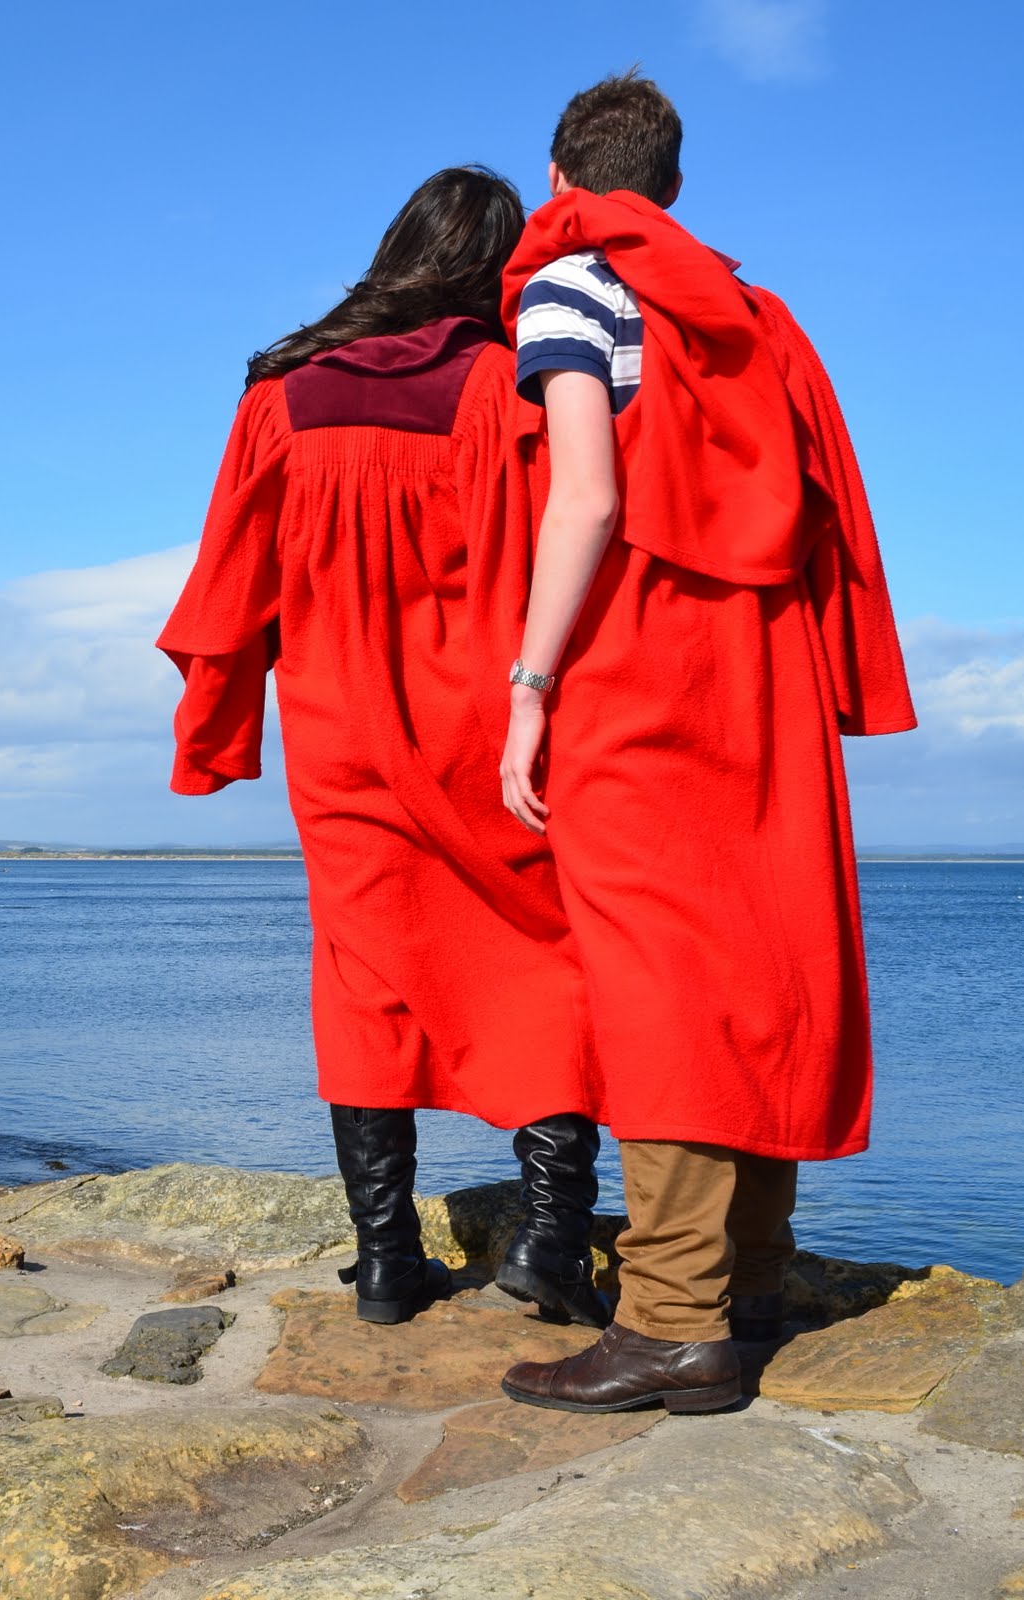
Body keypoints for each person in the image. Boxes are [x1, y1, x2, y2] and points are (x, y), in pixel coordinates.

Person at [494, 73, 916, 1412]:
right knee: (743, 958)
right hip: (762, 668)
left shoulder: (572, 282)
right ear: (669, 186)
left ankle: (670, 1317)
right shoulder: (750, 314)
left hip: (641, 663)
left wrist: (528, 681)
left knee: (653, 982)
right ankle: (749, 1274)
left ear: (563, 178)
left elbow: (586, 497)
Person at [158, 167, 609, 1328]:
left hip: (336, 732)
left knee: (361, 979)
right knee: (546, 956)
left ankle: (383, 1261)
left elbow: (226, 580)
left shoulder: (281, 394)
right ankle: (550, 1238)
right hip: (479, 732)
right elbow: (551, 555)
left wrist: (216, 722)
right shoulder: (501, 390)